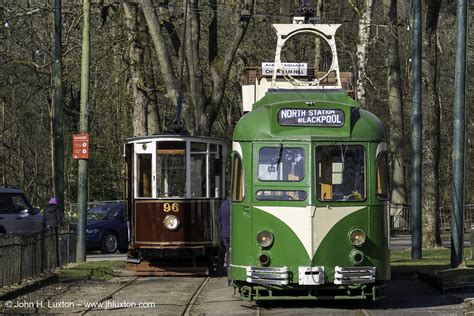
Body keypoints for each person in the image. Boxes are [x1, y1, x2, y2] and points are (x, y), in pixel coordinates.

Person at [218, 198, 230, 283]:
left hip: (225, 233)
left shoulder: (224, 204)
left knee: (229, 253)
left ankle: (229, 276)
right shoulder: (235, 204)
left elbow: (219, 219)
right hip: (234, 234)